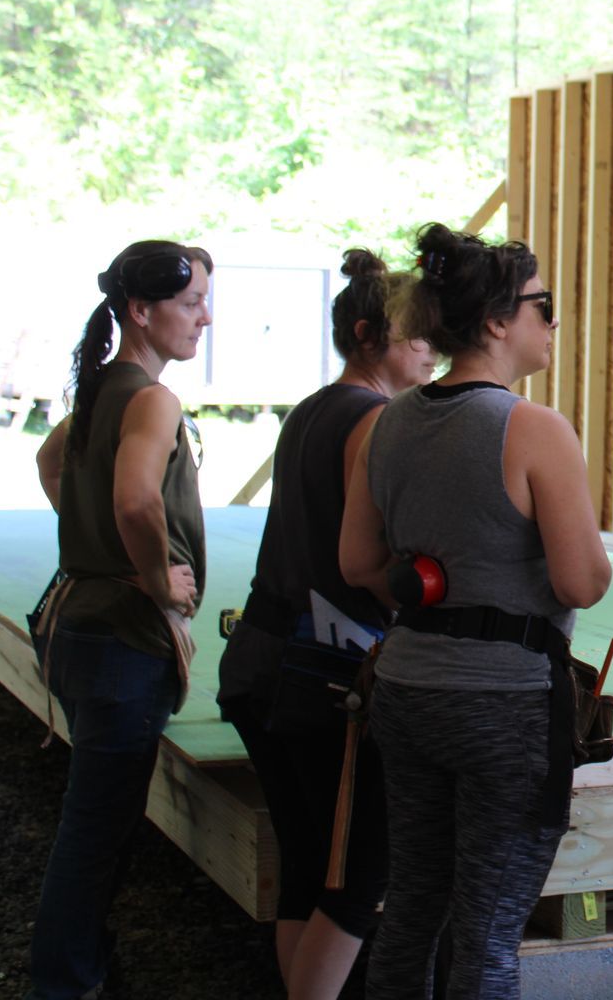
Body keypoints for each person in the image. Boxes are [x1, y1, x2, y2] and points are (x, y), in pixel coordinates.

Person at [338, 223, 612, 1000]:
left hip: (408, 689)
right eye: (543, 305)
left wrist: (437, 576)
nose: (552, 322)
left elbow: (358, 564)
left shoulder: (386, 421)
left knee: (412, 910)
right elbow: (582, 582)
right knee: (488, 937)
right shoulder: (534, 428)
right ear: (496, 321)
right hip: (505, 705)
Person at [217, 249, 436, 999]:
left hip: (261, 656)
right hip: (321, 673)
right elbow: (362, 561)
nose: (430, 353)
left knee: (312, 866)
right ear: (372, 336)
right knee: (357, 875)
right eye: (417, 339)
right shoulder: (374, 419)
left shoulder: (313, 407)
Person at [27, 239, 215, 1000]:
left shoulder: (104, 386)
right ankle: (64, 983)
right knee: (95, 832)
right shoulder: (150, 397)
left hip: (77, 624)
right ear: (141, 311)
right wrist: (150, 577)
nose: (206, 318)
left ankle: (84, 966)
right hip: (118, 640)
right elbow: (138, 498)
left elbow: (48, 463)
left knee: (94, 821)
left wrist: (96, 550)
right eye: (192, 303)